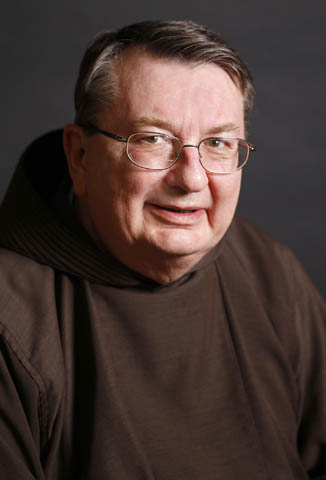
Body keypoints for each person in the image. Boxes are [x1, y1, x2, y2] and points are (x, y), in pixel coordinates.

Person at [0, 20, 324, 480]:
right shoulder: (9, 321)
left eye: (217, 143)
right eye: (151, 139)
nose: (191, 178)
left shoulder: (270, 269)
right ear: (80, 157)